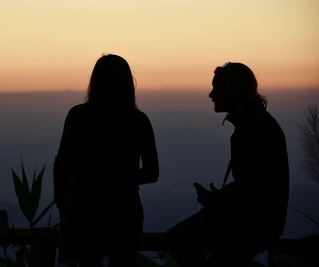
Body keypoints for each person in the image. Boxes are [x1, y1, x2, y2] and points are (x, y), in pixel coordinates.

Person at [166, 62, 289, 266]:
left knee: (175, 241)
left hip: (253, 223)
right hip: (261, 221)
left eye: (217, 88)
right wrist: (218, 199)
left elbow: (251, 188)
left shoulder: (252, 130)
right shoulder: (257, 124)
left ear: (235, 91)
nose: (211, 94)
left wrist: (216, 200)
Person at [53, 54, 159, 266]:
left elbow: (61, 165)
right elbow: (151, 173)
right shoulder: (138, 120)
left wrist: (64, 206)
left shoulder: (78, 116)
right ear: (127, 83)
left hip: (84, 211)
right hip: (125, 212)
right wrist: (121, 179)